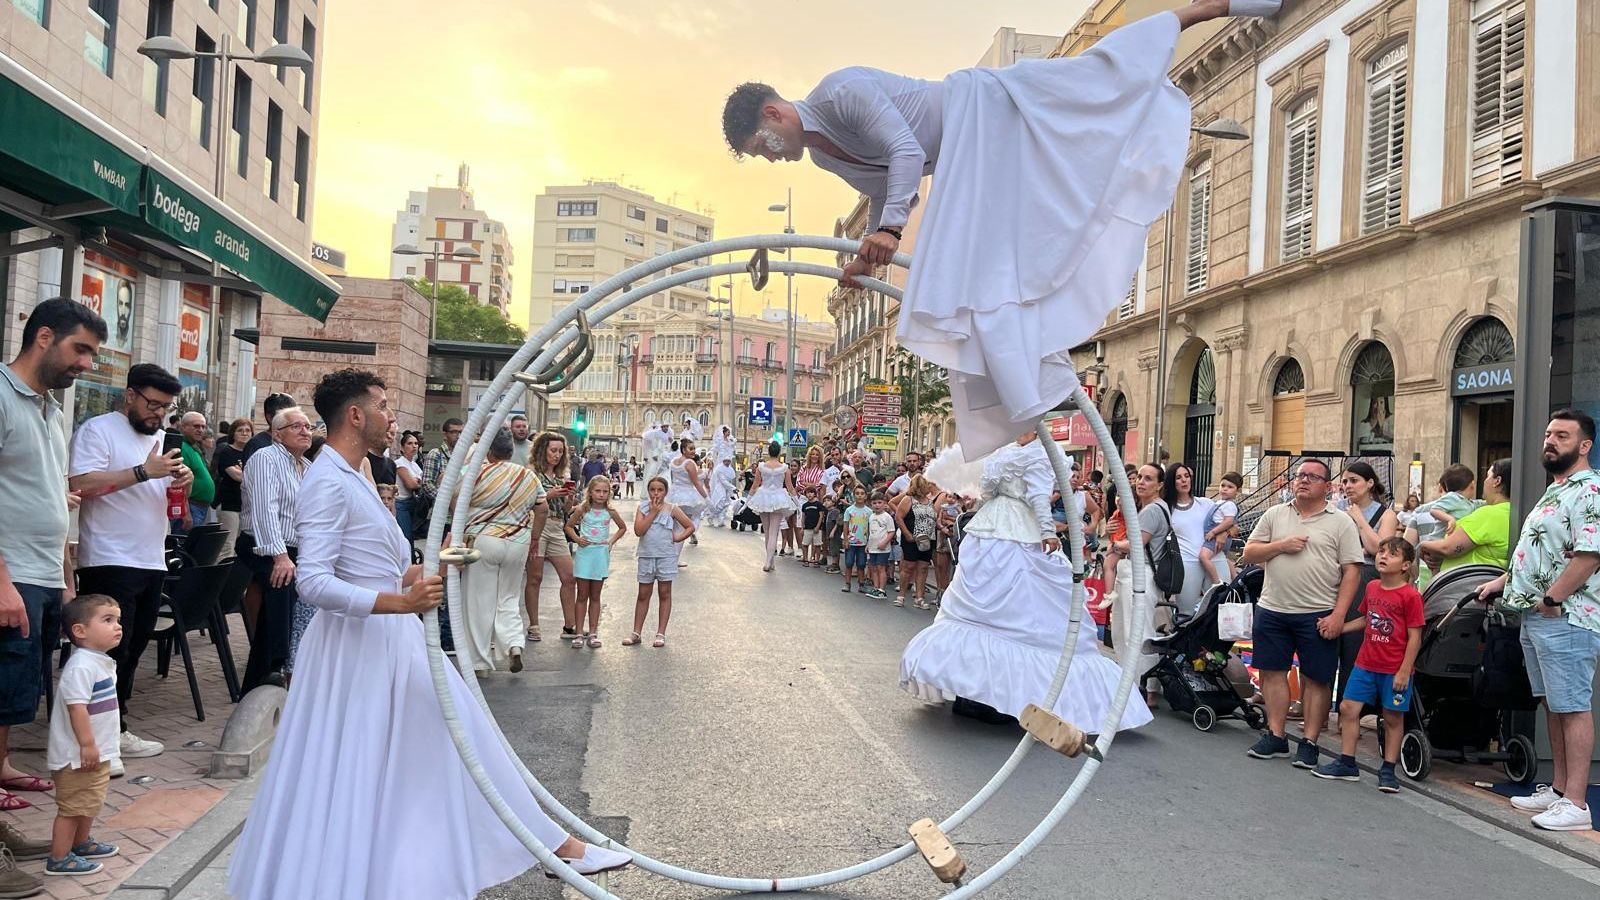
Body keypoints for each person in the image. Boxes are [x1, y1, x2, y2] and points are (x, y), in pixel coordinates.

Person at [724, 0, 1277, 456]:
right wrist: (864, 257)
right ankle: (1031, 374)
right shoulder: (822, 157)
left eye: (761, 147)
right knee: (994, 274)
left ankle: (1215, 5)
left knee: (1096, 78)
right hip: (970, 162)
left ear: (773, 115)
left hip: (985, 112)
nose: (770, 158)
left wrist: (890, 233)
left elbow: (904, 152)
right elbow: (878, 195)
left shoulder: (840, 92)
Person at [227, 369, 630, 900]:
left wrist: (417, 573)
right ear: (355, 415)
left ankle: (545, 846)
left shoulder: (356, 472)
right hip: (361, 648)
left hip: (385, 640)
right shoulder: (328, 480)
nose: (392, 416)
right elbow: (314, 582)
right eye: (383, 405)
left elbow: (364, 565)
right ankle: (548, 848)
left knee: (439, 748)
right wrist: (402, 599)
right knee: (427, 747)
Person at [900, 435, 1154, 730]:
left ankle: (978, 696)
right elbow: (1035, 495)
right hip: (1015, 529)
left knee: (997, 613)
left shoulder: (1012, 450)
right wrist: (1047, 532)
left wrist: (1046, 528)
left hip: (994, 527)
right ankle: (986, 696)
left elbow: (1003, 490)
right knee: (1014, 613)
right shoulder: (1032, 451)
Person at [0, 298, 102, 874]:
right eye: (79, 349)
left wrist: (65, 583)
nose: (86, 363)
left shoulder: (50, 409)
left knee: (13, 701)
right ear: (43, 337)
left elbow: (50, 498)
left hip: (39, 576)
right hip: (9, 576)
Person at [1474, 411, 1600, 832]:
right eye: (1548, 434)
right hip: (1536, 613)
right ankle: (1561, 789)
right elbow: (1539, 552)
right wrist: (1503, 581)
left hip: (1567, 615)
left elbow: (1590, 554)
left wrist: (1553, 598)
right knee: (1553, 702)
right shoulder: (1554, 490)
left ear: (1584, 445)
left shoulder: (1591, 490)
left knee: (1573, 705)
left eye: (1562, 435)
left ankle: (1577, 802)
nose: (1550, 441)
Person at [70, 363, 194, 764]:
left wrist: (181, 485)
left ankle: (115, 728)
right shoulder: (98, 430)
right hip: (108, 557)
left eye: (166, 408)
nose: (158, 414)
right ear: (129, 396)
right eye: (153, 404)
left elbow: (175, 507)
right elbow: (81, 485)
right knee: (105, 653)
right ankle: (96, 740)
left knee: (134, 646)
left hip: (150, 557)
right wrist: (144, 471)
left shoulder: (161, 439)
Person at [1241, 459, 1363, 768]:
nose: (1303, 480)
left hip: (1317, 612)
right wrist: (1281, 545)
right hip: (1273, 608)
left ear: (1327, 485)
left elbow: (1352, 572)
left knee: (1317, 679)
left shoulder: (1341, 522)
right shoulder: (1275, 514)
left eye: (1312, 476)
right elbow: (1249, 553)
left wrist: (1338, 616)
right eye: (1299, 475)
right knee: (1272, 673)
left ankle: (1309, 742)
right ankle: (1277, 735)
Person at [1312, 538, 1424, 793]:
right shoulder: (1372, 586)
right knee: (1348, 709)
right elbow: (1366, 618)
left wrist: (1405, 670)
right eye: (1382, 552)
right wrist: (1338, 628)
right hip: (1365, 663)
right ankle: (1347, 762)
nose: (1383, 557)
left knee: (1393, 717)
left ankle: (1388, 770)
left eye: (1392, 555)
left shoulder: (1410, 596)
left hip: (1394, 668)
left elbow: (1415, 636)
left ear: (1406, 565)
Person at [43, 594, 124, 877]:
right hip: (77, 756)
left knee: (89, 800)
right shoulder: (81, 666)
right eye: (107, 620)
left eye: (117, 620)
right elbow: (76, 707)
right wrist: (87, 744)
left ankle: (81, 843)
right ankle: (59, 857)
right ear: (80, 631)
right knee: (72, 805)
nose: (118, 626)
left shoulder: (99, 661)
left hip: (94, 753)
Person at [239, 406, 313, 692]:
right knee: (276, 621)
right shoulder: (265, 458)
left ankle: (273, 681)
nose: (305, 431)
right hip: (267, 548)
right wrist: (279, 556)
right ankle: (266, 683)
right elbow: (264, 509)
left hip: (294, 551)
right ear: (277, 434)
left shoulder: (306, 466)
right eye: (296, 426)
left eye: (307, 426)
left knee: (288, 619)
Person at [461, 429, 545, 675]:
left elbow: (455, 498)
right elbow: (543, 508)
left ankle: (480, 663)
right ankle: (514, 644)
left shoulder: (477, 473)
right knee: (508, 598)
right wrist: (534, 538)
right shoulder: (528, 476)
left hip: (485, 540)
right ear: (511, 451)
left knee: (479, 600)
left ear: (488, 451)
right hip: (518, 541)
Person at [1337, 461, 1401, 701]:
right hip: (1336, 575)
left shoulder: (1386, 514)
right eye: (1345, 481)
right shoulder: (1338, 509)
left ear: (1370, 483)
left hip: (1365, 579)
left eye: (1354, 481)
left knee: (1353, 641)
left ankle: (1349, 704)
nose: (1348, 486)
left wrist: (1359, 520)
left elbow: (1379, 549)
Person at [1108, 463, 1171, 707]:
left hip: (1140, 573)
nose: (1141, 482)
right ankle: (1134, 684)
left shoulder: (1152, 510)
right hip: (1136, 572)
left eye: (1148, 479)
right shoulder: (1150, 508)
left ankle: (1142, 687)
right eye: (1140, 478)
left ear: (1160, 485)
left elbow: (1135, 543)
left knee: (1136, 632)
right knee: (1127, 631)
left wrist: (1115, 544)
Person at [628, 476, 695, 648]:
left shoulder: (672, 509)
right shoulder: (642, 508)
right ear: (648, 491)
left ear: (666, 492)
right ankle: (636, 632)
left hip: (666, 557)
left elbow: (690, 526)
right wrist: (653, 512)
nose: (656, 493)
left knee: (665, 593)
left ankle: (661, 633)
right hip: (646, 556)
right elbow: (638, 530)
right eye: (652, 490)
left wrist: (676, 538)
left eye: (660, 490)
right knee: (643, 594)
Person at [525, 431, 580, 643]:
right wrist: (549, 494)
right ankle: (534, 625)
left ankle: (569, 624)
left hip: (557, 525)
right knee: (535, 577)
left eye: (560, 451)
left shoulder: (561, 476)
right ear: (542, 450)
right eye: (553, 450)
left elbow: (566, 509)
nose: (556, 455)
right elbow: (526, 500)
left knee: (569, 576)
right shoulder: (532, 473)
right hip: (536, 524)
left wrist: (569, 498)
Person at [1420, 458, 1512, 575]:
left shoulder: (1489, 514)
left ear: (1497, 481)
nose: (1484, 481)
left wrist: (1423, 545)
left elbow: (1447, 548)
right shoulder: (1512, 512)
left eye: (1488, 476)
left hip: (1466, 586)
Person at [567, 476, 627, 649]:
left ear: (609, 493)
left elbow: (622, 528)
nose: (601, 495)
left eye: (605, 491)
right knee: (582, 595)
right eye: (598, 491)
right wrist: (578, 539)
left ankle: (593, 633)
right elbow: (569, 526)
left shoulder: (611, 511)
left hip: (600, 554)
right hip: (585, 553)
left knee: (595, 596)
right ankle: (579, 633)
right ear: (590, 492)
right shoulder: (582, 509)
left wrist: (610, 542)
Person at [1162, 461, 1218, 620]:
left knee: (1218, 609)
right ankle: (1183, 643)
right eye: (1178, 477)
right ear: (1172, 482)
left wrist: (1223, 533)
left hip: (1214, 559)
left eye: (1186, 476)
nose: (1184, 480)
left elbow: (1231, 525)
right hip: (1186, 563)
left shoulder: (1206, 503)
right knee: (1185, 613)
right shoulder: (1166, 509)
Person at [747, 441, 799, 572]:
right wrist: (797, 503)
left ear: (769, 451)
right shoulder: (784, 468)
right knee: (774, 532)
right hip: (778, 497)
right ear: (779, 452)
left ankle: (769, 561)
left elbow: (755, 485)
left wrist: (748, 499)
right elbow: (790, 487)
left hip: (763, 496)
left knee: (767, 530)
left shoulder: (761, 466)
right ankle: (769, 561)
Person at [895, 475, 939, 609]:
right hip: (912, 539)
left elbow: (934, 518)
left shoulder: (929, 501)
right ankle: (901, 596)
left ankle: (919, 597)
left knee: (923, 567)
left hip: (927, 539)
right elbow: (899, 517)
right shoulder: (908, 500)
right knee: (908, 566)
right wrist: (907, 534)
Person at [212, 419, 253, 560]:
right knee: (227, 546)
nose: (244, 433)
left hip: (246, 506)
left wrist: (245, 473)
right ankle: (220, 579)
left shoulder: (252, 454)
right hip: (229, 505)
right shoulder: (227, 451)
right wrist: (250, 475)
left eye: (247, 430)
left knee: (240, 546)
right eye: (240, 430)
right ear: (233, 433)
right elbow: (237, 476)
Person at [666, 437, 708, 554]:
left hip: (673, 495)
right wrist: (707, 498)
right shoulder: (690, 463)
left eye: (694, 448)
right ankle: (674, 558)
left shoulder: (674, 462)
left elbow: (672, 479)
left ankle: (671, 557)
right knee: (683, 528)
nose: (694, 451)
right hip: (687, 497)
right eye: (691, 449)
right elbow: (696, 483)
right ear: (683, 450)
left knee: (674, 528)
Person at [1199, 471, 1241, 587]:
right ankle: (1235, 579)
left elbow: (1229, 521)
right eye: (1223, 486)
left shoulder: (1229, 505)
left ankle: (1216, 581)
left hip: (1216, 537)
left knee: (1204, 557)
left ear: (1237, 491)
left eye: (1230, 487)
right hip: (1218, 536)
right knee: (1226, 558)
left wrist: (1214, 531)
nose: (1225, 489)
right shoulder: (1220, 502)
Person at [176, 411, 215, 530]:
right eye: (196, 426)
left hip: (199, 507)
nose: (200, 430)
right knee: (186, 546)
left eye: (203, 426)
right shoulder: (182, 447)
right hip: (191, 508)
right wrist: (185, 512)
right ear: (183, 427)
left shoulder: (193, 447)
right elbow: (179, 483)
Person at [840, 485, 873, 593]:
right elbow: (845, 525)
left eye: (862, 493)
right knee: (849, 563)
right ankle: (847, 583)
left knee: (861, 564)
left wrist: (869, 541)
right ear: (854, 495)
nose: (859, 496)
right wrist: (845, 539)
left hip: (863, 542)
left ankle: (861, 583)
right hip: (851, 541)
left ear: (865, 496)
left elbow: (870, 527)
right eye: (857, 493)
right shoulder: (849, 510)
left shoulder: (869, 512)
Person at [393, 430, 425, 540]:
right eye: (410, 443)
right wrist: (417, 482)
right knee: (406, 537)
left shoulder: (414, 465)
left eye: (416, 443)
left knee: (410, 536)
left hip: (412, 504)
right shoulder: (400, 463)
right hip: (401, 505)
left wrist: (418, 482)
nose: (414, 446)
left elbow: (422, 481)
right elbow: (411, 484)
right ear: (402, 448)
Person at [702, 455, 737, 527]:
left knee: (726, 504)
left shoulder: (730, 469)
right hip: (720, 488)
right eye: (726, 461)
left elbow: (729, 480)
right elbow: (723, 481)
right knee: (720, 503)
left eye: (729, 461)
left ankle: (721, 520)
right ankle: (711, 517)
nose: (727, 463)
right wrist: (733, 488)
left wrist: (731, 489)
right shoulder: (719, 469)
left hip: (727, 489)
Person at [823, 494, 843, 574]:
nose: (826, 502)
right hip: (830, 534)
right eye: (825, 501)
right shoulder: (829, 511)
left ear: (834, 502)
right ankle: (833, 564)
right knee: (832, 548)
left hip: (835, 534)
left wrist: (833, 531)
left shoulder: (835, 511)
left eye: (828, 500)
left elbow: (837, 523)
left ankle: (835, 565)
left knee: (835, 548)